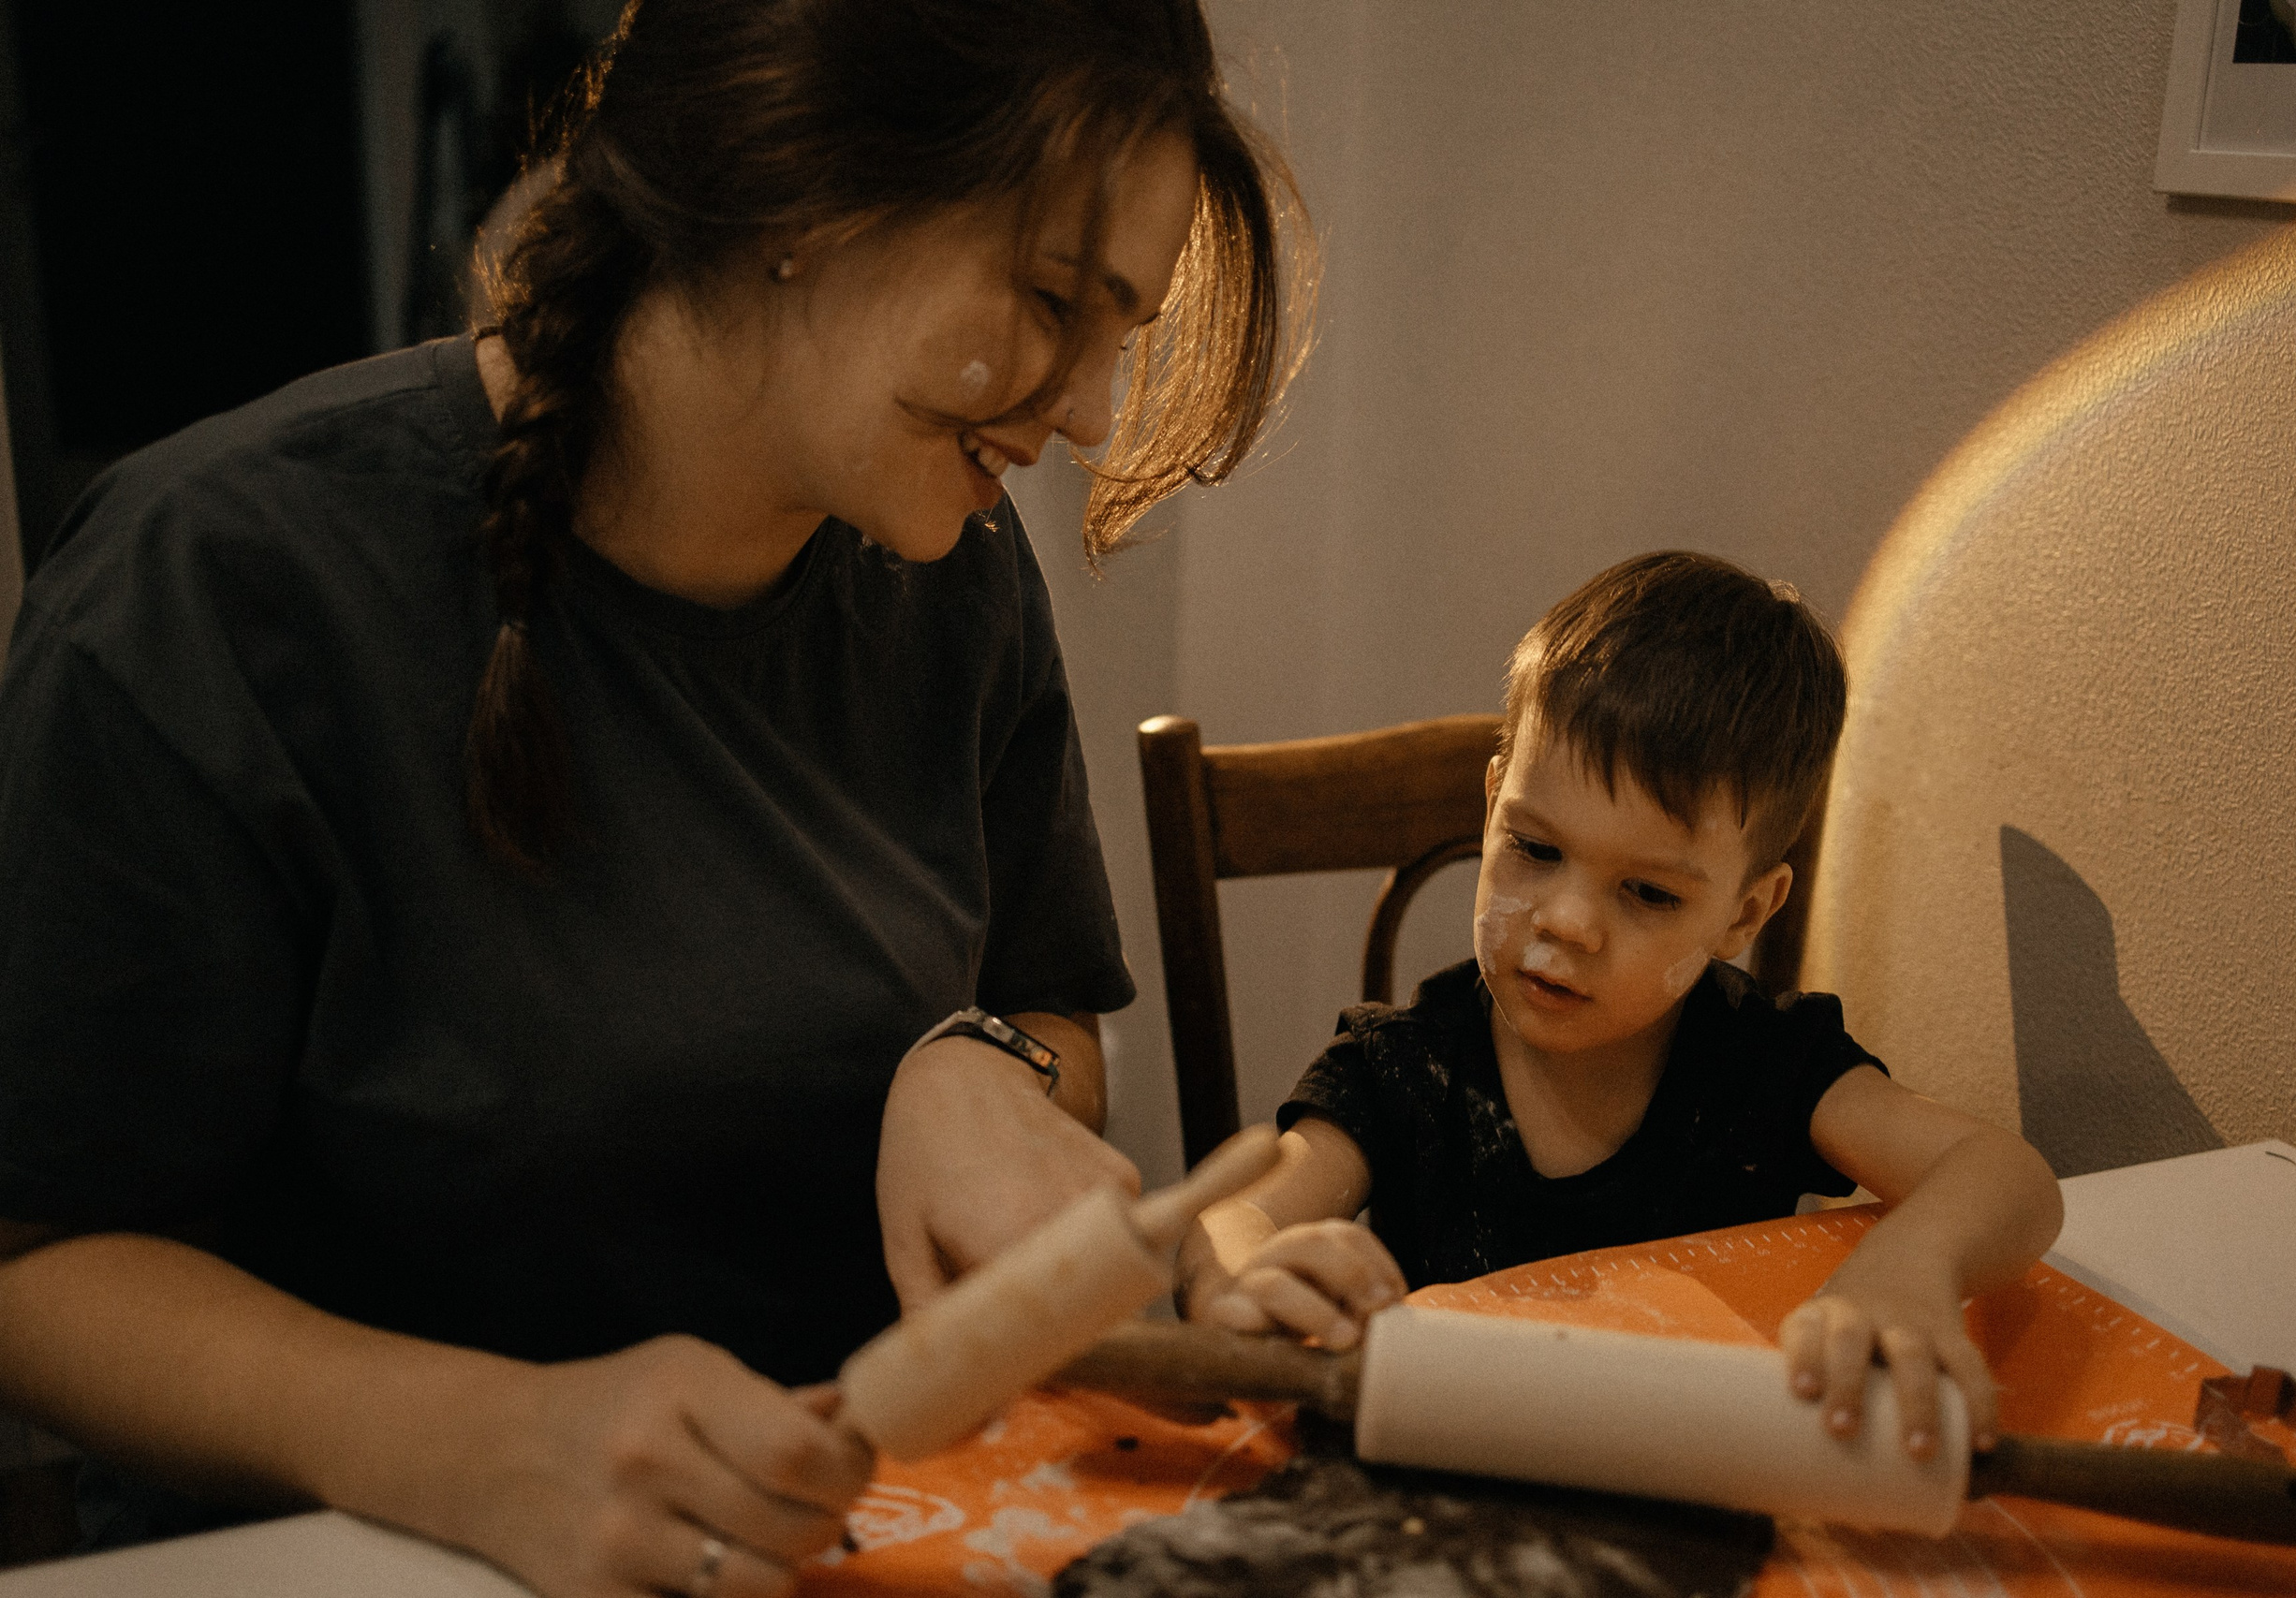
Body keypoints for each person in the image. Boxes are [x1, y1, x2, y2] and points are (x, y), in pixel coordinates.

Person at [0, 2, 1308, 1593]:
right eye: (1051, 300)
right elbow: (37, 1263)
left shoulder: (949, 576)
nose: (1093, 411)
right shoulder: (213, 588)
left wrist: (979, 1065)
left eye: (1120, 331)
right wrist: (469, 1437)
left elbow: (1053, 1019)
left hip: (851, 1537)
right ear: (798, 189)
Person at [1177, 552, 2063, 1462]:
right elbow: (1228, 1221)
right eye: (1533, 846)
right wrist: (1253, 1276)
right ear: (1491, 808)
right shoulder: (1405, 1066)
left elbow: (2004, 1173)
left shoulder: (1761, 1063)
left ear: (1745, 913)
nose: (1565, 922)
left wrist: (1904, 1271)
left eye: (1645, 893)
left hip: (1690, 1473)